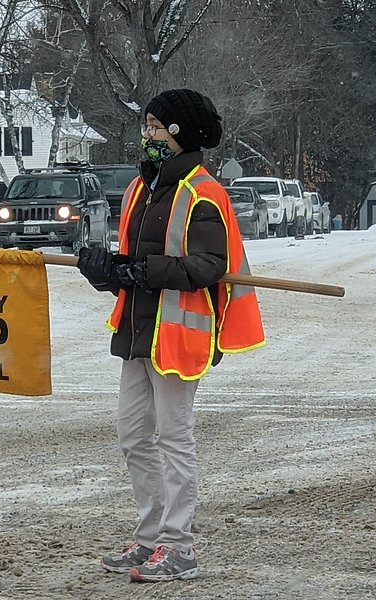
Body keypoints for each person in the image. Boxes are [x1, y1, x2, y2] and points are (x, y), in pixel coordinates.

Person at [77, 89, 266, 583]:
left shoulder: (205, 192)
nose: (148, 135)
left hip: (180, 337)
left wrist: (143, 270)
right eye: (146, 126)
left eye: (156, 127)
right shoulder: (144, 188)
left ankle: (179, 547)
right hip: (138, 331)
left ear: (180, 135)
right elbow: (130, 262)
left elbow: (208, 265)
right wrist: (106, 270)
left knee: (173, 438)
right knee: (133, 435)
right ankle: (149, 538)